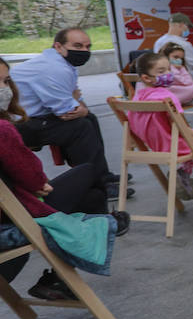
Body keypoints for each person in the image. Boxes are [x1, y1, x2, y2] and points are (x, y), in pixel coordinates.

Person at [0, 58, 128, 300]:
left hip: (10, 209)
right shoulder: (3, 130)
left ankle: (100, 224)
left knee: (90, 191)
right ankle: (101, 226)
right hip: (14, 216)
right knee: (89, 175)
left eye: (6, 81)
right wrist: (38, 184)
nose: (5, 89)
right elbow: (33, 176)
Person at [9, 28, 125, 201]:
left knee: (88, 118)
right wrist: (78, 105)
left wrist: (79, 106)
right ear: (58, 46)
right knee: (79, 127)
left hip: (33, 118)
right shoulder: (54, 68)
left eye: (88, 47)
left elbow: (77, 101)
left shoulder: (63, 64)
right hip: (14, 126)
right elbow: (67, 111)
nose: (84, 51)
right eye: (77, 46)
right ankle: (94, 185)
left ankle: (102, 175)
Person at [126, 52, 193, 201]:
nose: (168, 73)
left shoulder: (137, 97)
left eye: (168, 69)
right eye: (161, 71)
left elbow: (132, 125)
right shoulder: (167, 97)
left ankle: (183, 176)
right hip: (175, 146)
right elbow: (181, 128)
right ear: (146, 77)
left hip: (155, 146)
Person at [154, 12, 193, 113]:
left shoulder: (158, 42)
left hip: (165, 80)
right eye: (187, 26)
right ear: (181, 25)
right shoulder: (184, 44)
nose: (188, 30)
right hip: (184, 81)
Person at [159, 44, 193, 109]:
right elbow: (186, 82)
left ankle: (185, 100)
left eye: (181, 58)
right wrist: (182, 69)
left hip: (177, 91)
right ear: (166, 57)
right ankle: (182, 100)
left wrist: (182, 68)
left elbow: (189, 82)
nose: (179, 60)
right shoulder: (168, 69)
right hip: (168, 92)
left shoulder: (178, 68)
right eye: (176, 57)